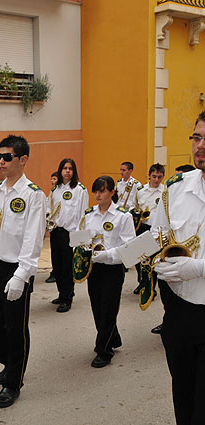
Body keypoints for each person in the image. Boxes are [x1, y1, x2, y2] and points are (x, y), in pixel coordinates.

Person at [152, 111, 205, 425]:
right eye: (197, 137)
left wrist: (197, 268)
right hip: (181, 313)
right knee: (184, 405)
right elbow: (159, 234)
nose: (200, 146)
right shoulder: (175, 188)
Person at [0, 135, 46, 408]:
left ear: (22, 160)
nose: (1, 161)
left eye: (7, 157)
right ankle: (8, 364)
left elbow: (32, 238)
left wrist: (22, 275)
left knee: (15, 328)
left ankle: (14, 381)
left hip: (16, 267)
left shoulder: (33, 195)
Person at [81, 176, 135, 368]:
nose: (97, 195)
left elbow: (130, 247)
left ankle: (103, 350)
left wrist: (105, 255)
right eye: (95, 191)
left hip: (113, 268)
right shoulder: (89, 214)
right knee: (97, 306)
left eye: (102, 191)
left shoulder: (123, 216)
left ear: (112, 192)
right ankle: (113, 337)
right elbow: (81, 238)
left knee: (108, 308)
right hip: (93, 268)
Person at [48, 159, 88, 312]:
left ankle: (67, 298)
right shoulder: (55, 190)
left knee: (67, 268)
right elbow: (49, 208)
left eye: (70, 168)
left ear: (74, 171)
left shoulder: (80, 190)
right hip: (56, 231)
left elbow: (83, 215)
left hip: (70, 233)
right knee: (57, 266)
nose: (67, 171)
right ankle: (61, 293)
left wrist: (81, 239)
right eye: (64, 168)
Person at [132, 163, 165, 296]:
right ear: (149, 176)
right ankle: (142, 282)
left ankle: (151, 287)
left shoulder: (165, 192)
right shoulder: (140, 191)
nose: (156, 180)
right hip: (142, 227)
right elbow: (134, 206)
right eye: (154, 176)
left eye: (159, 177)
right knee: (139, 258)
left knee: (152, 260)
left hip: (156, 229)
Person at [46, 172, 59, 284]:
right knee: (54, 253)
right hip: (53, 227)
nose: (52, 181)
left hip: (64, 228)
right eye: (51, 179)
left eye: (54, 179)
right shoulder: (53, 192)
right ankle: (55, 272)